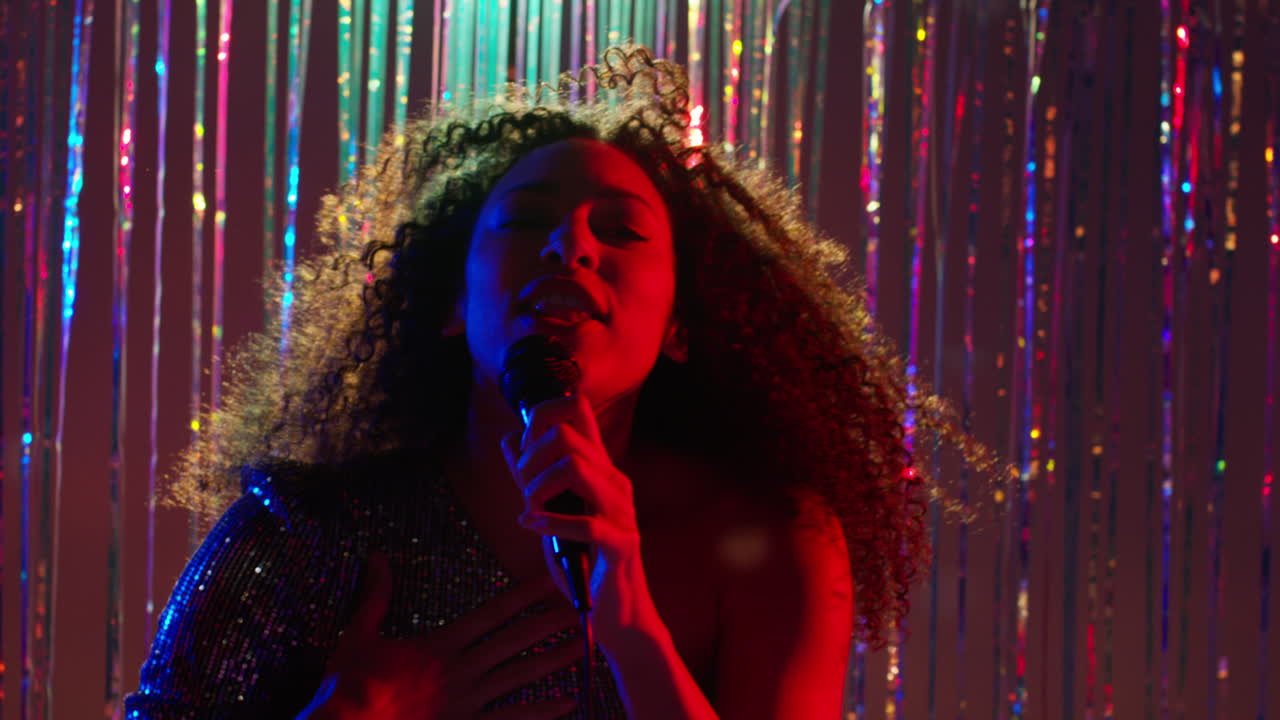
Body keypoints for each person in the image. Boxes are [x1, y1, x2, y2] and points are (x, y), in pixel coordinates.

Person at [125, 44, 996, 719]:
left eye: (620, 230)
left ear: (682, 326)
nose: (570, 243)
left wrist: (630, 620)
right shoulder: (304, 530)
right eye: (526, 221)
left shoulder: (778, 539)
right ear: (452, 304)